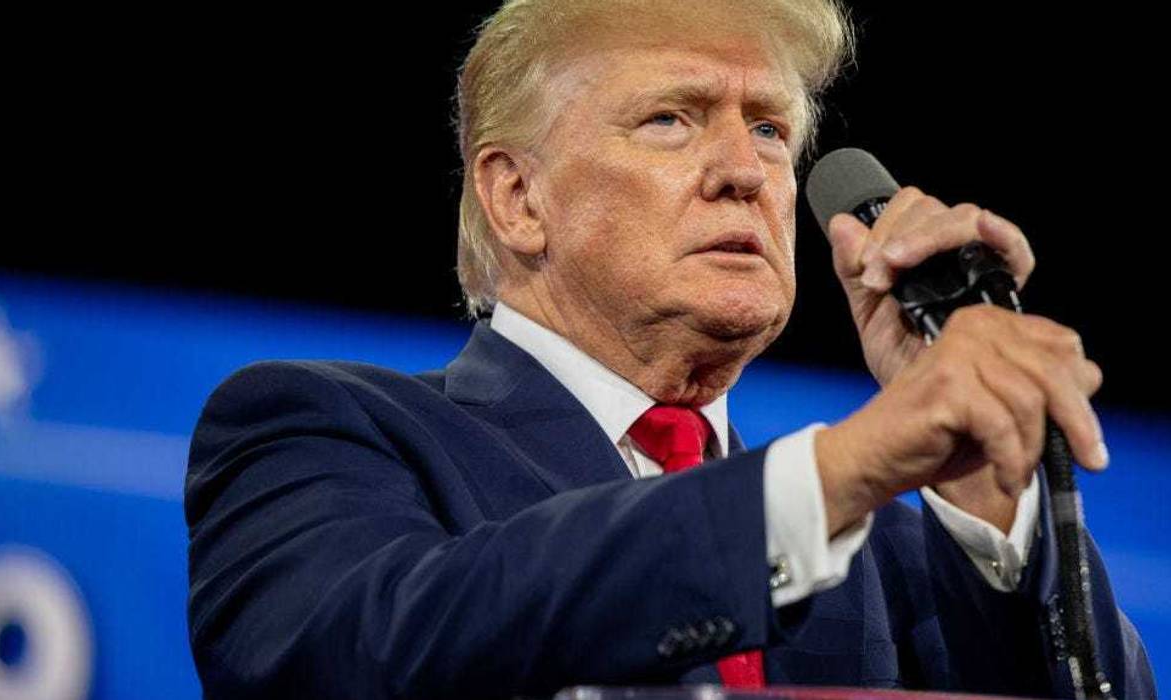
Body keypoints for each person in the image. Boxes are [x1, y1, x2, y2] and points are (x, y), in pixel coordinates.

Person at [185, 1, 1155, 698]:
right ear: (517, 197)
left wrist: (984, 486)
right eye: (671, 119)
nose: (745, 172)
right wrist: (837, 472)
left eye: (769, 130)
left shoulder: (896, 549)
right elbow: (353, 654)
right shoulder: (323, 431)